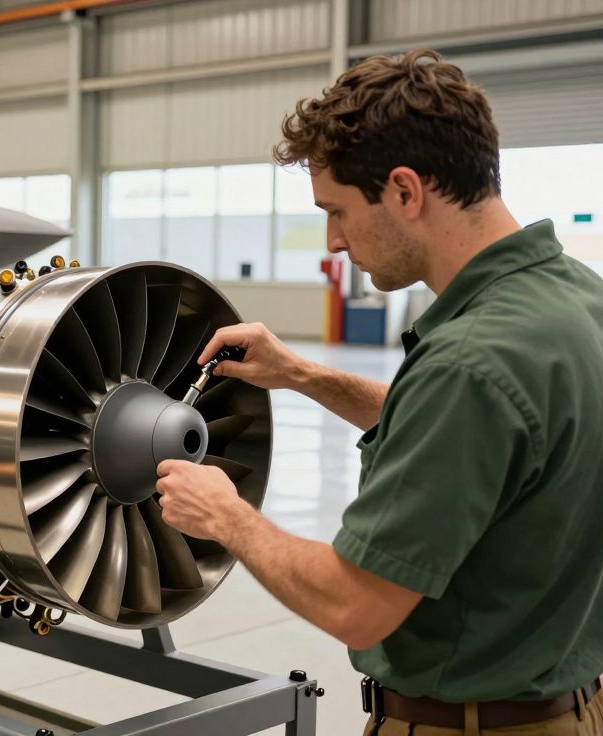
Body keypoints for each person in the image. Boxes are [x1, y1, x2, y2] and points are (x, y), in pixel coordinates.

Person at [155, 49, 603, 735]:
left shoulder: (470, 364)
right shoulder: (576, 303)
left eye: (337, 211)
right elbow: (482, 445)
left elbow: (355, 604)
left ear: (404, 191)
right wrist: (303, 375)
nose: (333, 242)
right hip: (571, 706)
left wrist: (227, 515)